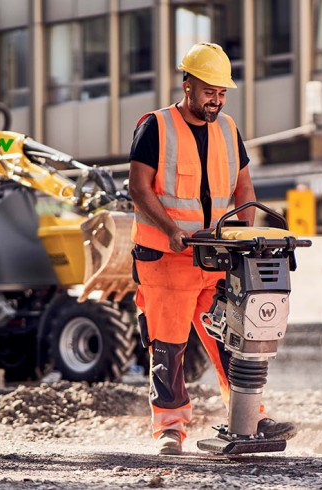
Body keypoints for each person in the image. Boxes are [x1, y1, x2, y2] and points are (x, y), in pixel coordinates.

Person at [128, 42, 297, 455]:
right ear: (188, 84)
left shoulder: (228, 128)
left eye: (221, 94)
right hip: (166, 257)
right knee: (168, 345)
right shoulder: (156, 126)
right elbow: (138, 188)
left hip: (216, 256)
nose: (216, 101)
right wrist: (169, 229)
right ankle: (169, 428)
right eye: (209, 92)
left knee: (233, 335)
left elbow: (244, 187)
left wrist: (245, 234)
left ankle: (249, 415)